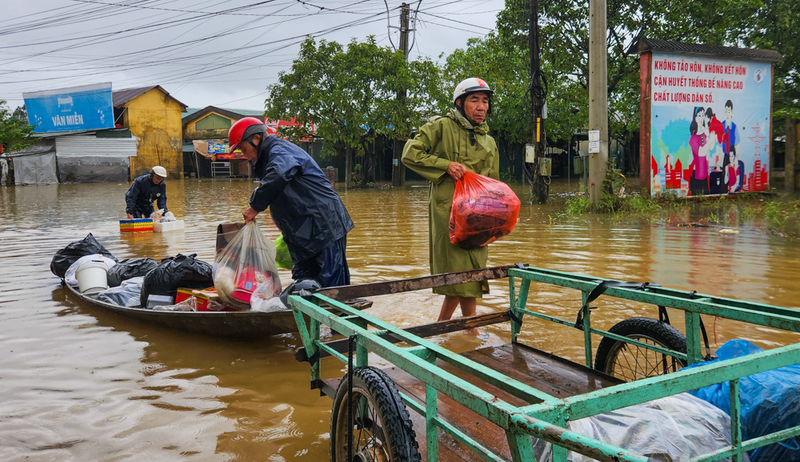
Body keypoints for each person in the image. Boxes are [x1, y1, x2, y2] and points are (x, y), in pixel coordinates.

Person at [402, 77, 500, 323]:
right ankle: (465, 327)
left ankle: (451, 325)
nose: (481, 107)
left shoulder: (489, 141)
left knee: (472, 270)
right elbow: (410, 154)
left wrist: (498, 217)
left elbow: (494, 184)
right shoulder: (441, 127)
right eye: (474, 100)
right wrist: (445, 165)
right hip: (448, 213)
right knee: (461, 271)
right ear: (460, 103)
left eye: (485, 101)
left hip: (477, 216)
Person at [228, 117, 353, 288]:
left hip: (324, 226)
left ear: (256, 139)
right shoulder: (267, 158)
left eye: (243, 148)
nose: (244, 154)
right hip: (303, 232)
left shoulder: (279, 151)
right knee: (303, 284)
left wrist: (255, 206)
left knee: (331, 285)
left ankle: (333, 313)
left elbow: (279, 174)